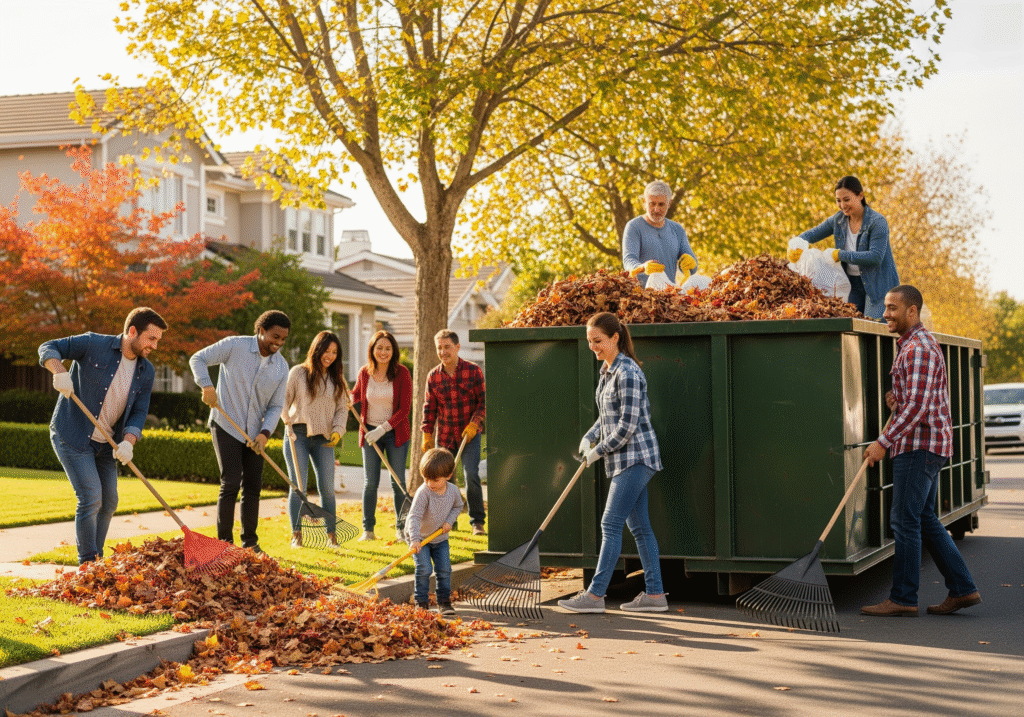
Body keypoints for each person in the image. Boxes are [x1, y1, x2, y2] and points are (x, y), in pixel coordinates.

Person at [861, 285, 981, 617]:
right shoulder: (912, 347)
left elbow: (916, 409)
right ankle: (963, 589)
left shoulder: (919, 349)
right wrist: (895, 400)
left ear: (912, 311)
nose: (886, 313)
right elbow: (915, 401)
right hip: (926, 444)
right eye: (886, 307)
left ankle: (902, 598)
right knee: (925, 518)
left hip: (919, 447)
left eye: (893, 308)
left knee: (904, 520)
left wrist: (882, 444)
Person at [38, 307, 167, 565]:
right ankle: (88, 563)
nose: (154, 345)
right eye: (151, 338)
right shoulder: (92, 342)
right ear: (132, 331)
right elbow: (48, 347)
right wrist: (59, 371)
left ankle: (95, 561)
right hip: (73, 435)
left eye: (157, 340)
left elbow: (139, 412)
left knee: (109, 501)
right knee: (91, 497)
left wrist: (128, 442)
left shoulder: (146, 370)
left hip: (106, 444)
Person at [558, 312, 666, 614]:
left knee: (610, 523)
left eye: (598, 341)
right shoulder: (608, 370)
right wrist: (589, 437)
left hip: (637, 457)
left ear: (615, 338)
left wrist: (599, 451)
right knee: (640, 528)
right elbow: (607, 417)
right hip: (623, 458)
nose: (593, 347)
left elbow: (627, 427)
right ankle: (656, 595)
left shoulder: (628, 373)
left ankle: (595, 596)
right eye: (590, 342)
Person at [189, 310, 290, 553]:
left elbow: (276, 405)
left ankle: (250, 544)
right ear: (261, 330)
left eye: (284, 339)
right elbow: (197, 359)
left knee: (253, 486)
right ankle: (225, 544)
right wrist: (206, 386)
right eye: (275, 336)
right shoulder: (235, 346)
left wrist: (264, 433)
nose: (278, 343)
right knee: (231, 482)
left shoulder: (281, 367)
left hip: (255, 433)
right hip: (226, 425)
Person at [791, 175, 899, 320]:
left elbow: (875, 257)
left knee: (875, 328)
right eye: (838, 201)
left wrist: (840, 254)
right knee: (852, 325)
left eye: (847, 200)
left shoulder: (877, 222)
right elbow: (812, 234)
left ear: (860, 195)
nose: (842, 205)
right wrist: (796, 244)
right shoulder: (838, 220)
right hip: (853, 285)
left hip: (879, 286)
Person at [348, 330, 413, 542]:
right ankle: (368, 530)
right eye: (379, 348)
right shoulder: (365, 373)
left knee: (398, 482)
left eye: (387, 348)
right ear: (372, 350)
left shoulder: (402, 373)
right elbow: (357, 394)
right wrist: (348, 397)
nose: (383, 352)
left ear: (393, 351)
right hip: (369, 433)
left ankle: (401, 529)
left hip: (395, 435)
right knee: (370, 483)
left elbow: (404, 409)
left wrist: (382, 429)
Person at [282, 331, 345, 548]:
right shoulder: (298, 373)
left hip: (324, 439)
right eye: (327, 351)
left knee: (327, 488)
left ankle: (331, 537)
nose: (330, 356)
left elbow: (342, 409)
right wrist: (286, 422)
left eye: (335, 352)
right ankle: (296, 535)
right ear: (317, 349)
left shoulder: (337, 379)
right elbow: (283, 401)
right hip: (297, 434)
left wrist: (338, 430)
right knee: (298, 486)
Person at [421, 329, 486, 535]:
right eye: (439, 347)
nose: (443, 351)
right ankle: (446, 522)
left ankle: (477, 521)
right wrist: (427, 434)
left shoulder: (473, 371)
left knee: (471, 475)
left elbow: (484, 403)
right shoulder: (433, 377)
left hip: (469, 435)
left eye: (447, 347)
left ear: (457, 347)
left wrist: (475, 424)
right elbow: (429, 408)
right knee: (443, 481)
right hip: (446, 435)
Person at [406, 447, 463, 617]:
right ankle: (421, 603)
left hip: (440, 539)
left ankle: (444, 602)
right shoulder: (424, 492)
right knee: (424, 569)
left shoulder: (453, 491)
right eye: (426, 478)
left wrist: (449, 521)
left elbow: (458, 506)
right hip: (420, 539)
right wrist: (415, 539)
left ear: (448, 475)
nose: (430, 483)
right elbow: (414, 517)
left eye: (435, 480)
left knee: (444, 569)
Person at [622, 180, 699, 290]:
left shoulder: (677, 230)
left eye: (661, 204)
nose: (656, 209)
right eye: (652, 203)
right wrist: (642, 267)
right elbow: (628, 261)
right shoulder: (634, 226)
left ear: (669, 204)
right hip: (642, 295)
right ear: (644, 202)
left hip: (670, 295)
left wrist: (691, 263)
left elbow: (692, 267)